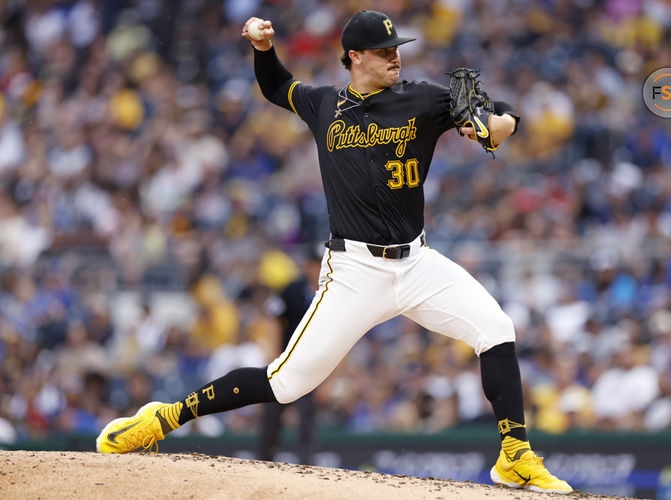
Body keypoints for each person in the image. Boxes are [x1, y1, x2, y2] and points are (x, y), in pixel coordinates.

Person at [96, 10, 572, 494]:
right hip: (355, 270)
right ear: (354, 57)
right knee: (286, 383)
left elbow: (496, 117)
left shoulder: (424, 98)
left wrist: (499, 123)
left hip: (417, 262)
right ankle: (163, 418)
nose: (395, 57)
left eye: (397, 48)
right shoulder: (324, 104)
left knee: (496, 328)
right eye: (385, 51)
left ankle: (515, 456)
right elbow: (275, 86)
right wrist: (263, 51)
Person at [257, 248, 320, 463]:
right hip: (287, 360)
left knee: (307, 416)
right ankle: (265, 458)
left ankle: (306, 463)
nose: (317, 269)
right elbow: (271, 318)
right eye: (314, 264)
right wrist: (274, 356)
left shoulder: (334, 291)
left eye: (320, 264)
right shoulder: (292, 289)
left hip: (314, 365)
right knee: (272, 412)